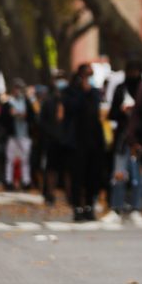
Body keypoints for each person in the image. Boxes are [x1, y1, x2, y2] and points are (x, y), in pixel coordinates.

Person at [102, 58, 142, 228]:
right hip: (122, 139)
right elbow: (111, 114)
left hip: (139, 139)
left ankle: (136, 209)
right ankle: (116, 208)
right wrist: (122, 111)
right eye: (131, 71)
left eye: (136, 71)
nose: (133, 74)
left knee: (139, 177)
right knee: (119, 175)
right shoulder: (120, 89)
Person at [62, 63, 106, 221]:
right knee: (77, 175)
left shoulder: (94, 92)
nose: (88, 79)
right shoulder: (70, 92)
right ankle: (77, 208)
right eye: (86, 75)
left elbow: (96, 107)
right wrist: (82, 92)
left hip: (93, 139)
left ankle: (89, 206)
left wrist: (89, 91)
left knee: (92, 175)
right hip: (76, 140)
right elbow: (71, 108)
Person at [39, 70, 70, 205]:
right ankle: (50, 194)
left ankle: (70, 195)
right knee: (51, 169)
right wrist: (50, 134)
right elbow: (42, 121)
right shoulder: (48, 101)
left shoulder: (70, 100)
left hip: (67, 140)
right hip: (52, 140)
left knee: (68, 169)